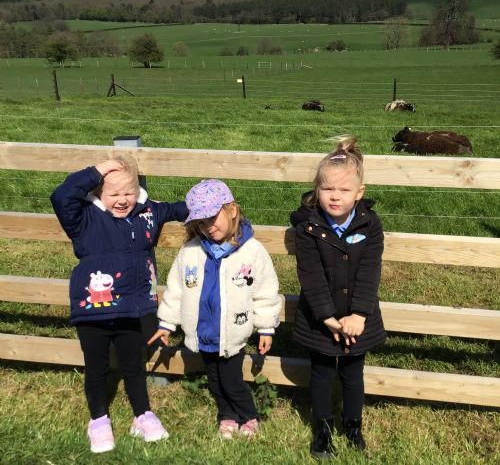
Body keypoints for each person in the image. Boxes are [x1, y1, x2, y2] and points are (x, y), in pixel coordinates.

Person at [50, 157, 188, 453]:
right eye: (114, 194)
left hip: (132, 308)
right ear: (98, 193)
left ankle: (142, 415)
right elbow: (61, 196)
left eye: (129, 192)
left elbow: (180, 209)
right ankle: (98, 420)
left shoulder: (148, 211)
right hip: (92, 311)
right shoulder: (83, 217)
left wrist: (213, 201)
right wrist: (98, 170)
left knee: (133, 364)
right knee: (96, 367)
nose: (123, 200)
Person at [148, 179, 281, 439]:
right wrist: (166, 323)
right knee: (215, 380)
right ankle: (227, 416)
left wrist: (266, 327)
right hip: (203, 332)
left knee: (231, 380)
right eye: (201, 222)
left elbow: (265, 291)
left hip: (232, 333)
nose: (208, 226)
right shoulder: (191, 251)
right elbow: (176, 289)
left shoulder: (251, 252)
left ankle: (249, 416)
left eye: (212, 218)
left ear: (232, 210)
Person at [290, 136, 386, 459]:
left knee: (353, 373)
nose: (335, 196)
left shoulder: (370, 225)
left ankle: (353, 426)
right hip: (321, 319)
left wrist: (359, 315)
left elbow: (370, 271)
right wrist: (327, 318)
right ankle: (323, 430)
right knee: (321, 372)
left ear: (359, 193)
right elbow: (311, 275)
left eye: (344, 190)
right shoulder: (308, 227)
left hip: (358, 321)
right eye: (327, 188)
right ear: (317, 189)